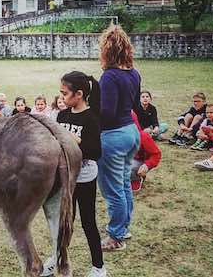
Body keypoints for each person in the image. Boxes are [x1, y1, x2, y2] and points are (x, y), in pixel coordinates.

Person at [42, 71, 106, 277]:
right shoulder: (62, 115)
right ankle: (56, 258)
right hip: (64, 178)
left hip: (85, 178)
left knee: (88, 223)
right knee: (62, 222)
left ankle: (99, 267)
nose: (61, 97)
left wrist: (74, 142)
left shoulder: (91, 118)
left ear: (79, 94)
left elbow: (96, 152)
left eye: (64, 93)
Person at [97, 24, 141, 252]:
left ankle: (116, 237)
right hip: (131, 133)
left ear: (107, 50)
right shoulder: (134, 73)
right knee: (123, 184)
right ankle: (123, 228)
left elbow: (106, 113)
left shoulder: (109, 77)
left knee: (113, 190)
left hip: (113, 137)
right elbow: (133, 105)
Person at [130, 111, 161, 192]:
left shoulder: (143, 136)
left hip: (137, 161)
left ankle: (135, 179)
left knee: (129, 166)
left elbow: (156, 154)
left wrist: (147, 165)